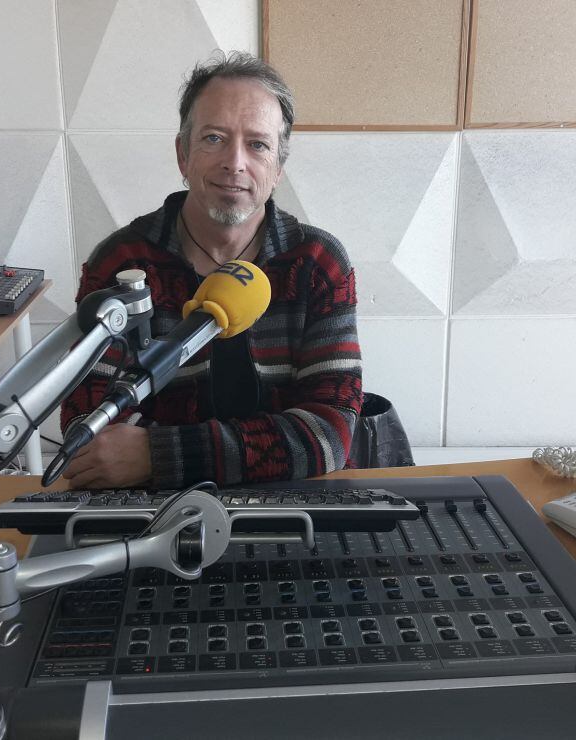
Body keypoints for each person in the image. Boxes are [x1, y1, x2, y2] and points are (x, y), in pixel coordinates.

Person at [59, 51, 362, 490]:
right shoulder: (121, 263)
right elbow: (89, 432)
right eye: (214, 138)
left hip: (293, 502)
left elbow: (329, 433)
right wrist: (264, 449)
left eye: (258, 145)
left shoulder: (318, 263)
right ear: (183, 154)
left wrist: (156, 454)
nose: (235, 163)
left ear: (278, 168)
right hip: (156, 511)